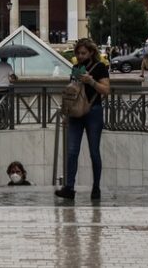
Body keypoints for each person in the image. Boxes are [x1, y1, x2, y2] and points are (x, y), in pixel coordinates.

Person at [55, 38, 110, 200]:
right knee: (72, 151)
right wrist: (66, 114)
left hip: (93, 112)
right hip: (75, 114)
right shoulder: (76, 68)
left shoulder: (100, 67)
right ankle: (69, 188)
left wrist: (91, 81)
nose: (80, 56)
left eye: (83, 53)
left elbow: (106, 90)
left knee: (94, 152)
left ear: (91, 52)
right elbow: (72, 93)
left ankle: (96, 187)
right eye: (78, 53)